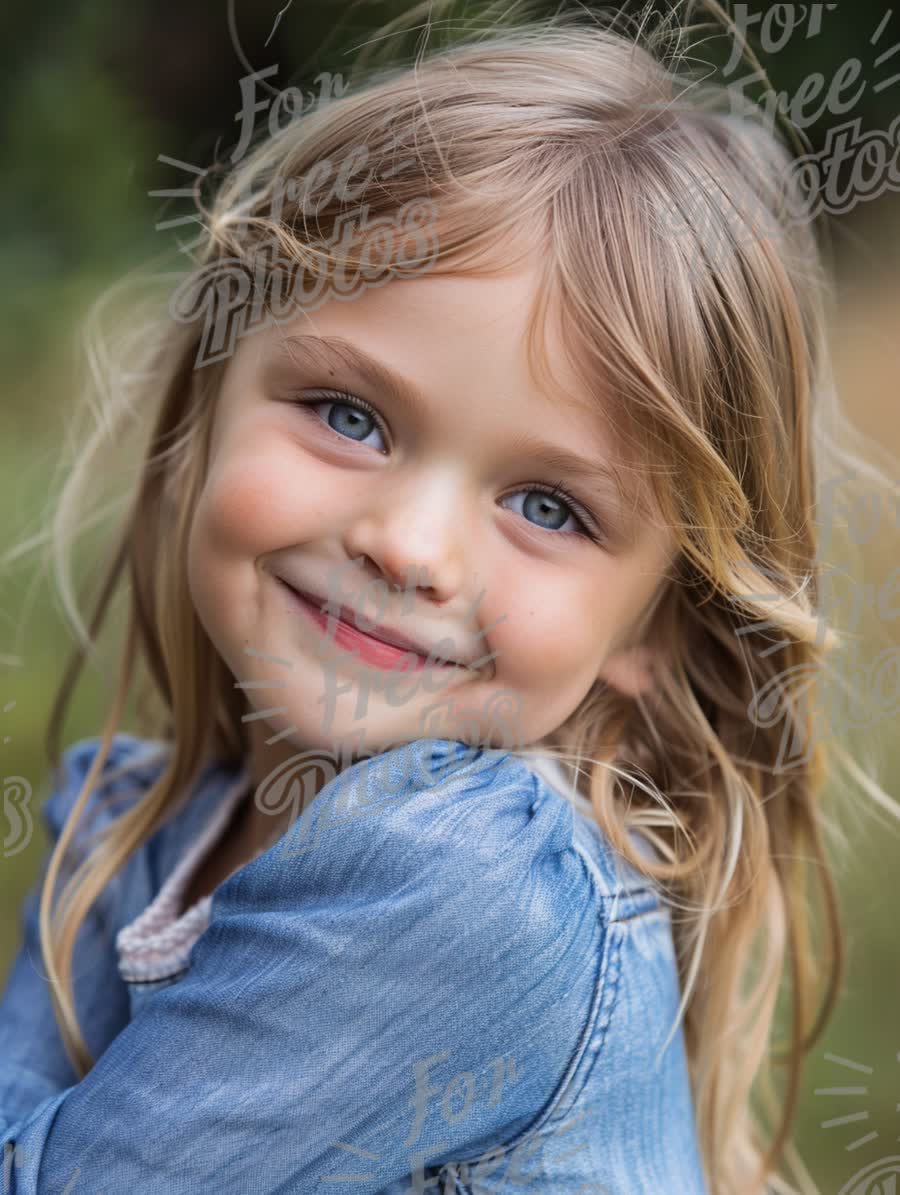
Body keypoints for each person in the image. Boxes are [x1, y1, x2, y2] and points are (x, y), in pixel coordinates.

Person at [0, 3, 895, 1192]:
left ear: (657, 627)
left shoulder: (466, 880)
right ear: (212, 399)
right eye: (349, 415)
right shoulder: (129, 823)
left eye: (548, 507)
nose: (411, 547)